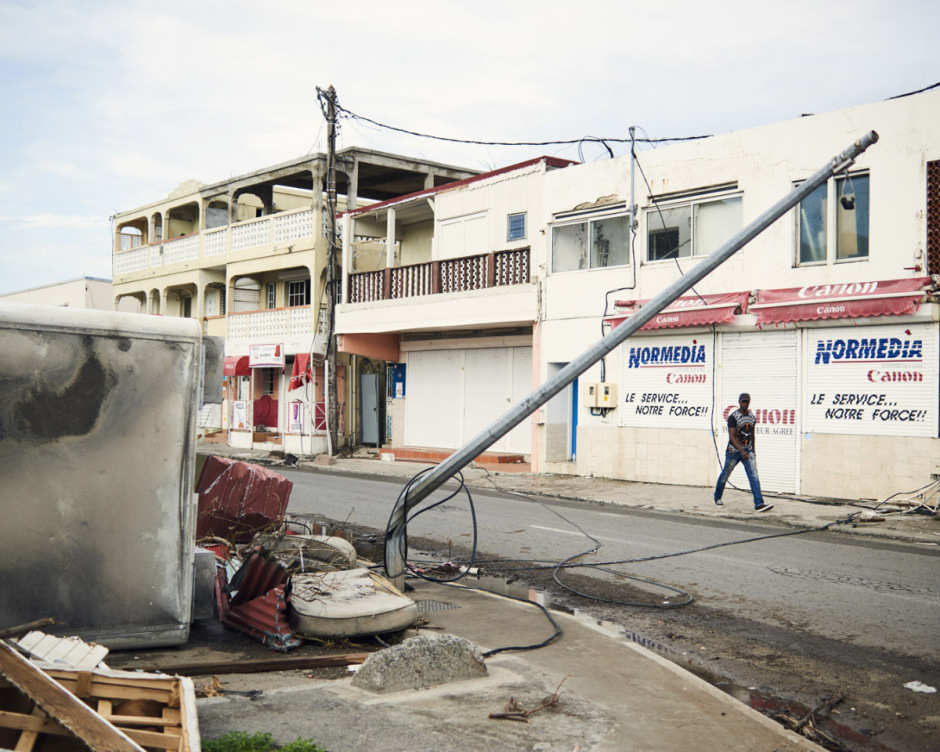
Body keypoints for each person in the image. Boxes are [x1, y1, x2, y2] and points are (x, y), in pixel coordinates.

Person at [714, 393, 774, 512]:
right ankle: (717, 497)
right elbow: (732, 436)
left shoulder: (752, 417)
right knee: (725, 474)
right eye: (743, 402)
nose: (745, 404)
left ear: (749, 402)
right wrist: (741, 451)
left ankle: (759, 503)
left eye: (747, 402)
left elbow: (752, 435)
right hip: (733, 451)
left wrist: (753, 451)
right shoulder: (733, 417)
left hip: (748, 451)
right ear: (739, 402)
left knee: (754, 476)